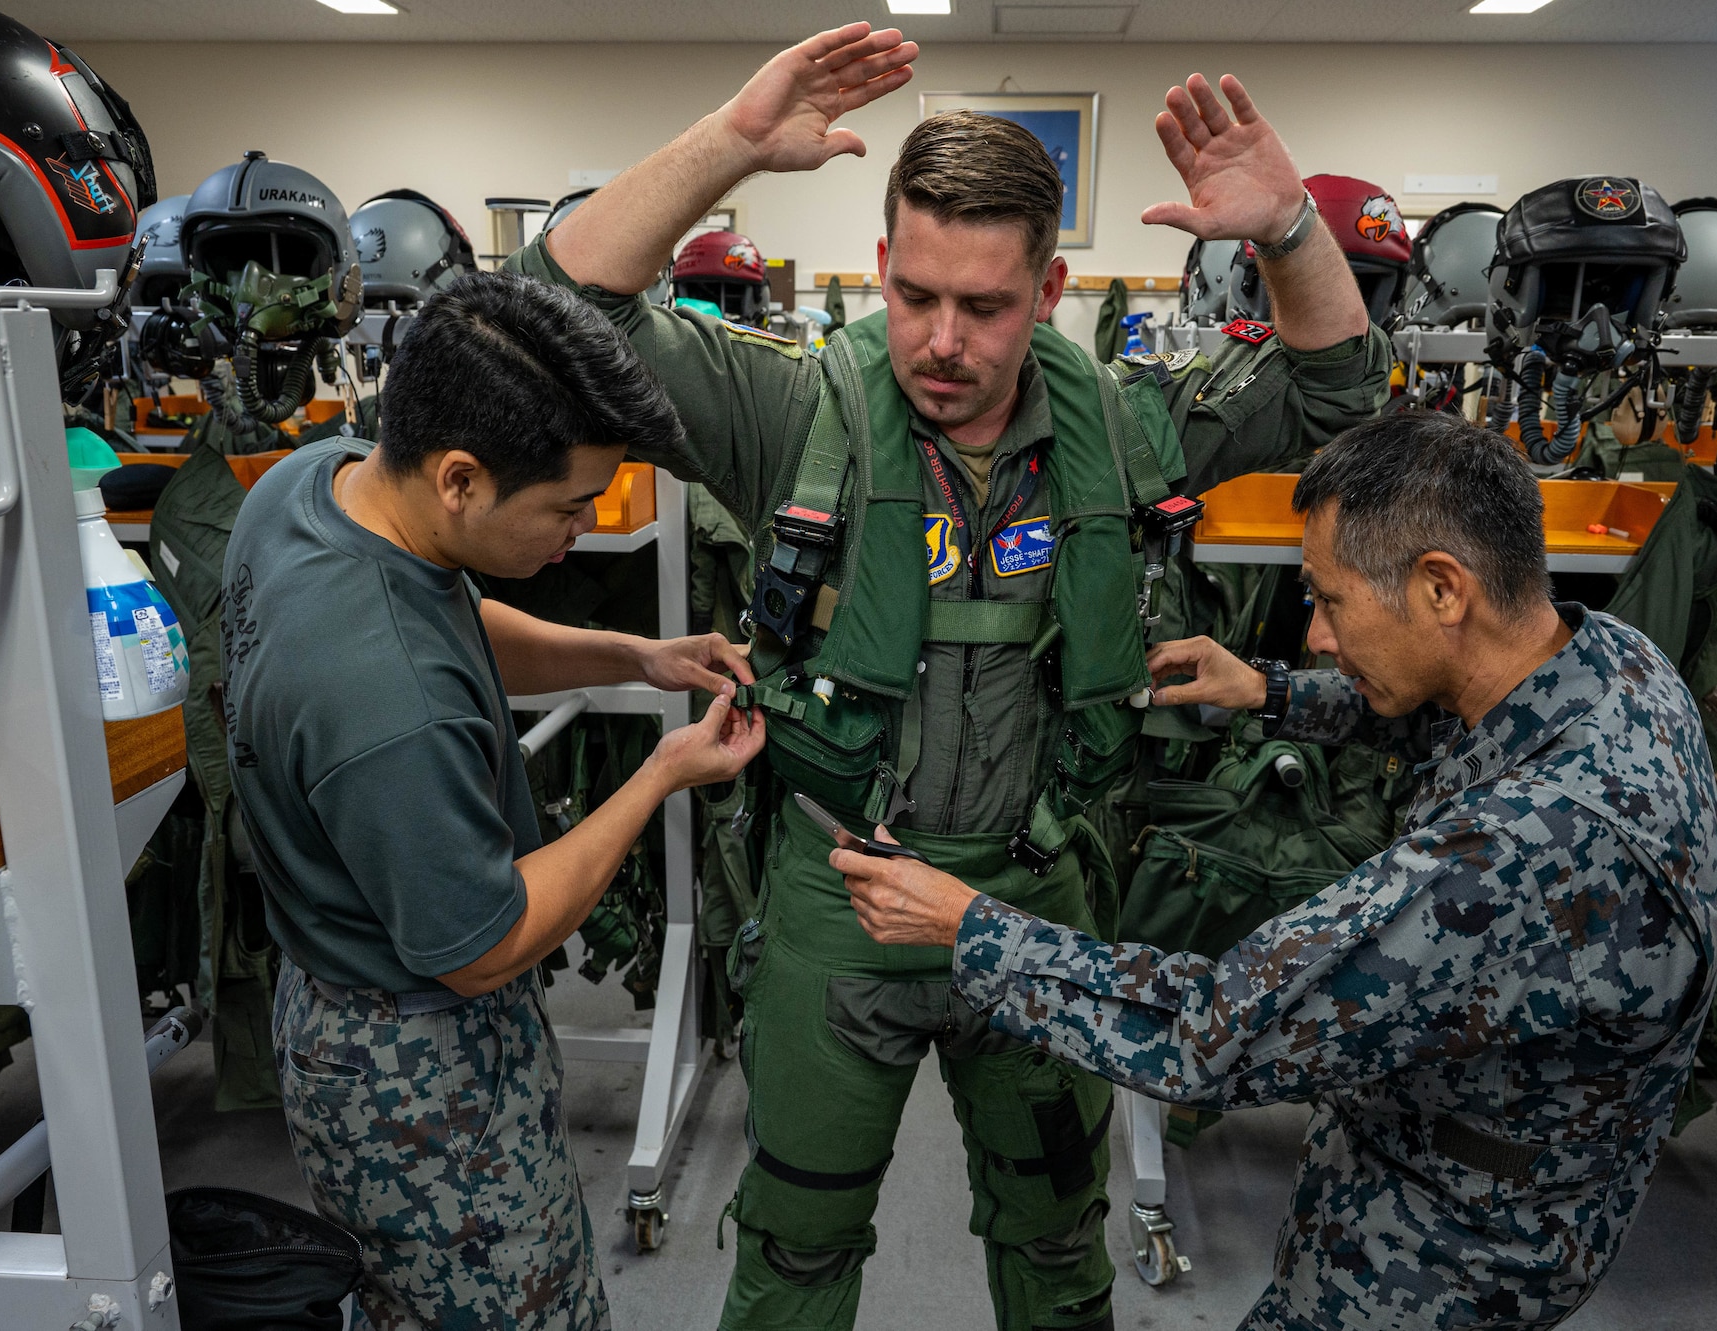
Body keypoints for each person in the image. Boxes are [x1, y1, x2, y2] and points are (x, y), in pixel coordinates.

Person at [511, 22, 1387, 1329]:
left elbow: (1343, 402)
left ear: (1048, 290)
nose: (941, 338)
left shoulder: (1128, 421)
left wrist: (1292, 234)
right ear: (879, 267)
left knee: (1055, 1251)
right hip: (840, 898)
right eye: (915, 293)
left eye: (983, 305)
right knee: (794, 1251)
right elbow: (553, 311)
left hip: (1040, 898)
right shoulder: (797, 411)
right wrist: (735, 145)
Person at [839, 413, 1717, 1331]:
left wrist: (970, 928)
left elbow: (1209, 1030)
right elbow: (1453, 713)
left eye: (1330, 600)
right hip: (1507, 1182)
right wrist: (1269, 692)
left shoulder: (1526, 854)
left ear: (1442, 588)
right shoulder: (1610, 665)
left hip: (1434, 1259)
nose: (1315, 634)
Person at [222, 271, 766, 1330]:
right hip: (417, 1067)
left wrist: (633, 656)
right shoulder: (386, 701)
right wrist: (658, 774)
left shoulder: (315, 485)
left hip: (336, 998)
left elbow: (450, 616)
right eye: (567, 506)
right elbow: (482, 939)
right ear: (462, 477)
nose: (583, 526)